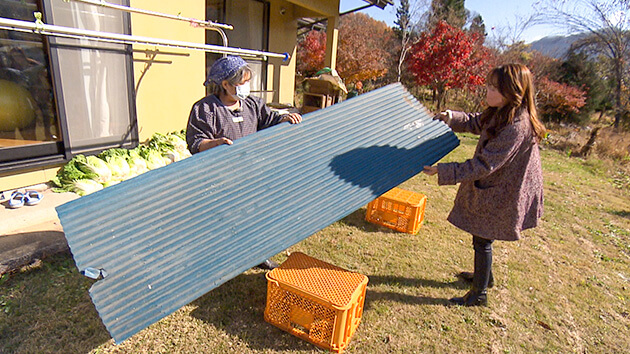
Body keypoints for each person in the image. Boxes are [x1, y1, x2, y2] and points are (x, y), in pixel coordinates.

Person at [423, 63, 546, 306]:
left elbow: (483, 165)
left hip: (507, 189)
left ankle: (479, 294)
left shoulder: (516, 126)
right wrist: (452, 118)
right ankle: (484, 277)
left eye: (493, 88)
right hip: (499, 184)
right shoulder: (502, 112)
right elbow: (477, 122)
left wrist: (444, 170)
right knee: (483, 237)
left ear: (512, 92)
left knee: (482, 239)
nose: (487, 91)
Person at [186, 55, 302, 269]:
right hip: (220, 178)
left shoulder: (253, 105)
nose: (246, 87)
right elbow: (196, 143)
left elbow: (269, 120)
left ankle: (258, 255)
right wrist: (215, 143)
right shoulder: (205, 109)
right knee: (224, 220)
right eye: (242, 83)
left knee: (255, 215)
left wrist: (284, 118)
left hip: (250, 172)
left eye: (247, 82)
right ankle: (221, 261)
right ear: (225, 84)